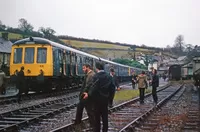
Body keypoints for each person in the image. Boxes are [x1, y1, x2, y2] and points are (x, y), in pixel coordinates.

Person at [82, 61, 115, 132]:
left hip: (96, 101)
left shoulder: (95, 76)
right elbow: (112, 89)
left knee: (97, 118)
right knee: (105, 117)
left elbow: (93, 88)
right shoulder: (109, 76)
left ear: (96, 68)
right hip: (105, 100)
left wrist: (88, 95)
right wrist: (110, 100)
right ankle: (105, 130)